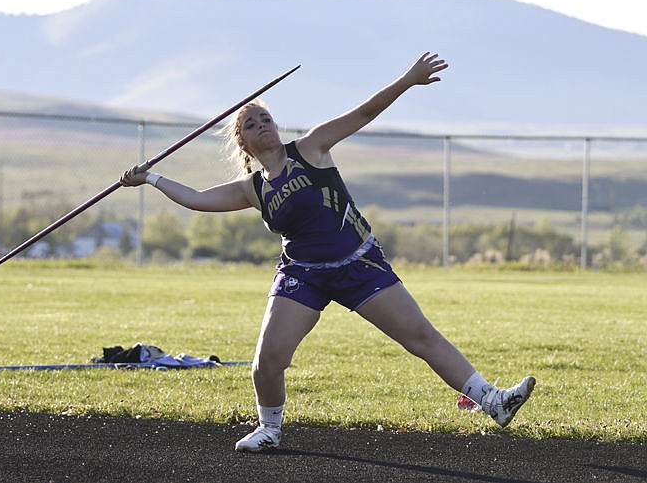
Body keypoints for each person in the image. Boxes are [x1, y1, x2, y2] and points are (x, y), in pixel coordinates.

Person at [120, 52, 536, 452]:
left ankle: (493, 400)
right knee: (267, 361)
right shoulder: (253, 188)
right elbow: (195, 198)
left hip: (358, 263)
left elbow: (363, 114)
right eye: (250, 123)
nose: (261, 124)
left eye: (266, 117)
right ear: (242, 143)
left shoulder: (312, 148)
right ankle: (269, 429)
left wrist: (408, 81)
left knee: (421, 336)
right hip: (302, 274)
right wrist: (150, 178)